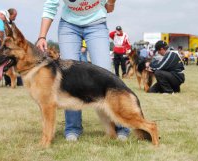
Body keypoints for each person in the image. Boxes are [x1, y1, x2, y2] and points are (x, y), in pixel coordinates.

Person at [36, 0, 130, 141]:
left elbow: (110, 8)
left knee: (105, 73)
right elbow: (50, 6)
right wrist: (42, 36)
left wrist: (111, 3)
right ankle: (73, 127)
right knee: (67, 76)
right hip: (68, 25)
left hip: (96, 23)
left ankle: (120, 125)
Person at [3, 8, 23, 87]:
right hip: (7, 47)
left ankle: (19, 81)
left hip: (14, 47)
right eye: (14, 16)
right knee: (7, 64)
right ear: (9, 15)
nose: (15, 18)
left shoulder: (13, 24)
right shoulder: (3, 23)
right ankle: (8, 81)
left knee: (17, 63)